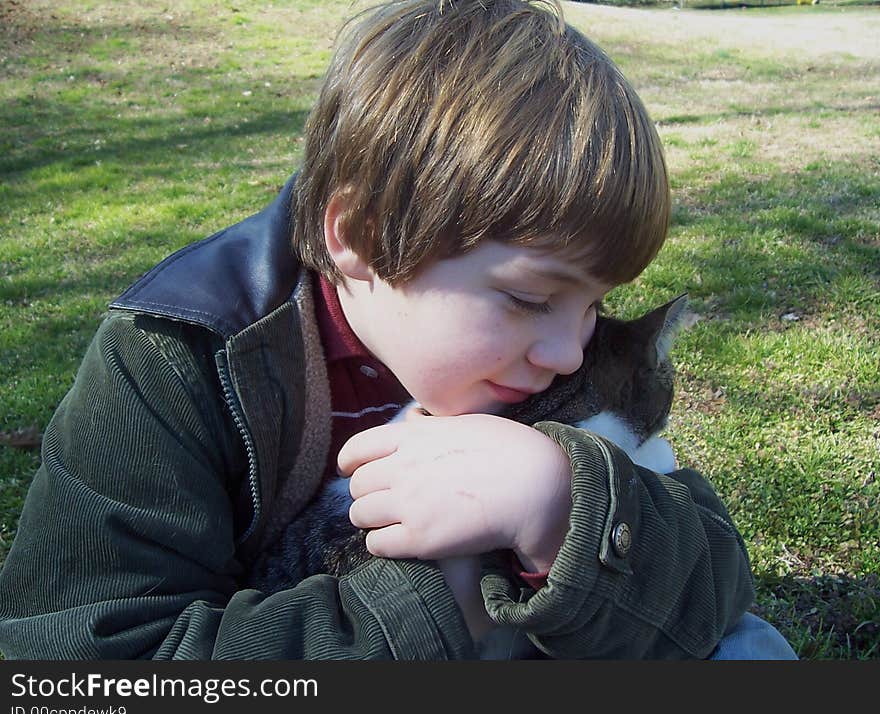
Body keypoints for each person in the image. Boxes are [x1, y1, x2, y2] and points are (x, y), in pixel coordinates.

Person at [0, 0, 796, 660]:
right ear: (363, 238)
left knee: (744, 648)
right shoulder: (176, 360)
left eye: (592, 304)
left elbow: (716, 580)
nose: (569, 350)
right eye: (527, 298)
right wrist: (446, 599)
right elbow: (85, 665)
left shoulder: (553, 366)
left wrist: (566, 512)